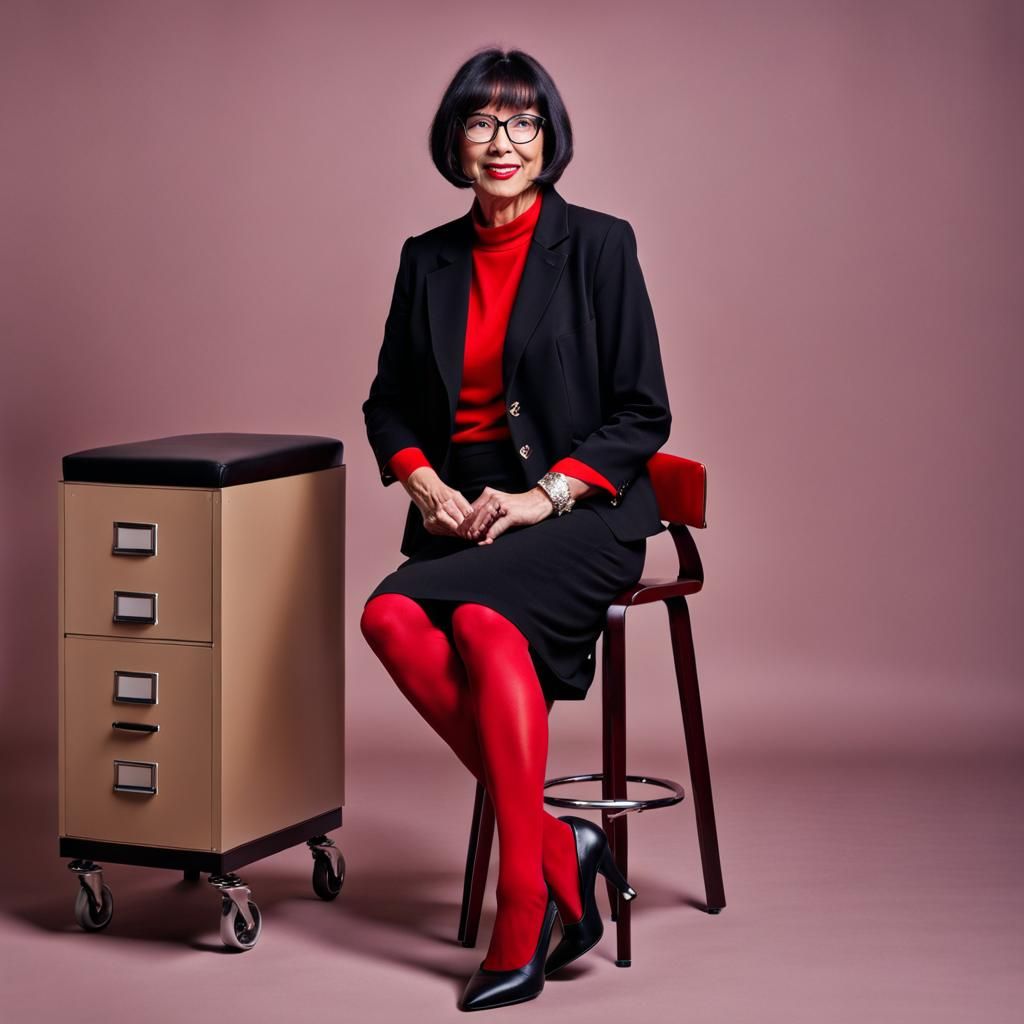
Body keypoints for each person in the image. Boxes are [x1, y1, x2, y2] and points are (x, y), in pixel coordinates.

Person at [359, 47, 672, 1012]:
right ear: (455, 139)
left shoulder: (602, 245)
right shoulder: (428, 259)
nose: (503, 142)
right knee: (389, 621)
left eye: (523, 123)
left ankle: (521, 905)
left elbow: (642, 413)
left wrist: (547, 499)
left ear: (550, 140)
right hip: (467, 515)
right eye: (483, 122)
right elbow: (389, 406)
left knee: (490, 625)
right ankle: (554, 842)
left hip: (580, 512)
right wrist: (419, 482)